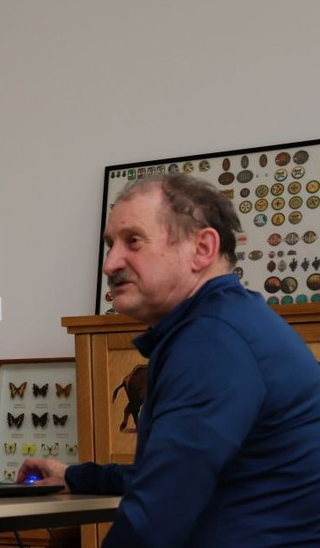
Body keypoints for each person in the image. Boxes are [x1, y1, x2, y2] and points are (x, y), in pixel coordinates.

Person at [19, 172, 320, 547]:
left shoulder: (213, 343)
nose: (110, 264)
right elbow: (172, 474)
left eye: (133, 241)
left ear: (202, 249)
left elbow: (158, 513)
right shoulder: (225, 323)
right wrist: (73, 476)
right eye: (111, 245)